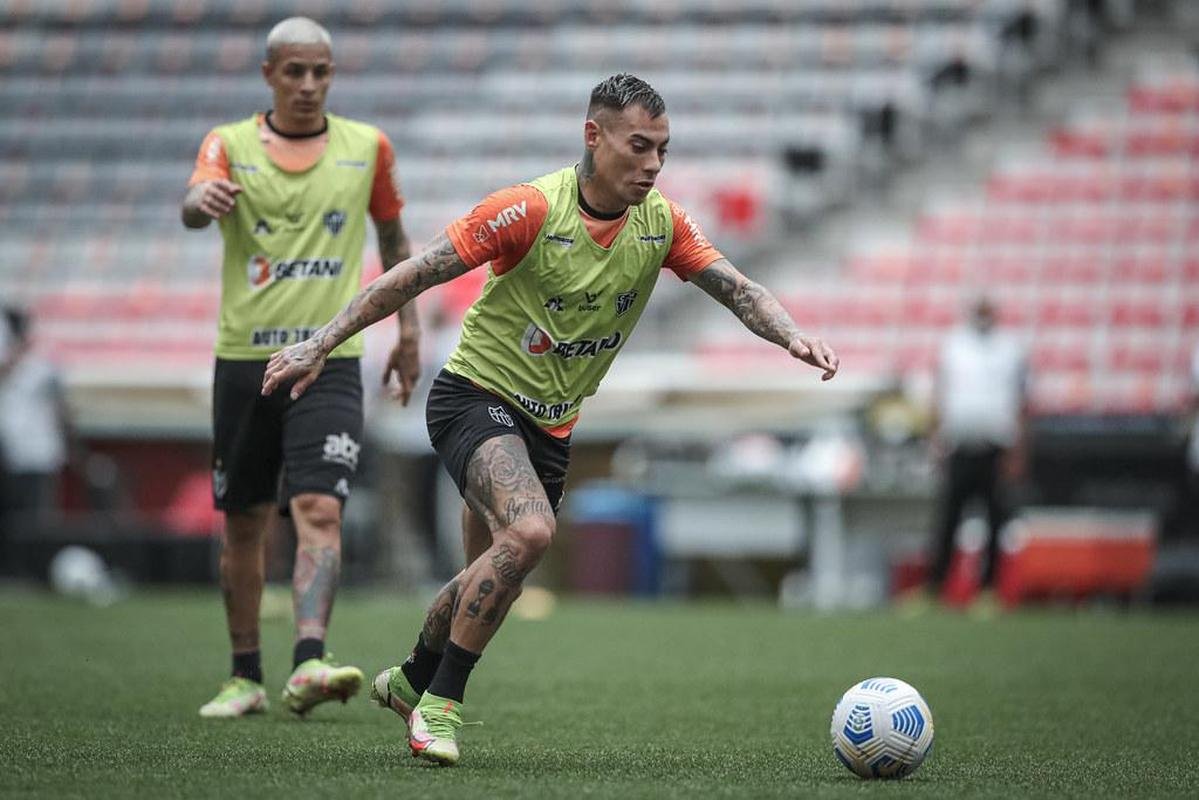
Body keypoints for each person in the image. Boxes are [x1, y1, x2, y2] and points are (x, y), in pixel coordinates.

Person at [262, 73, 838, 764]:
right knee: (531, 532)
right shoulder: (528, 210)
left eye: (663, 149)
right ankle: (439, 708)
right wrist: (319, 343)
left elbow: (739, 289)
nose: (652, 163)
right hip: (474, 395)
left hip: (553, 425)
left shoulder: (661, 224)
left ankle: (411, 679)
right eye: (638, 147)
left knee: (490, 576)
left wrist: (791, 335)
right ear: (593, 136)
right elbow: (413, 274)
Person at [181, 17, 421, 719]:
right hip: (245, 361)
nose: (309, 85)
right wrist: (200, 201)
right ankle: (244, 675)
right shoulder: (226, 145)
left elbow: (394, 239)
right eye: (295, 71)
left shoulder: (366, 147)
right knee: (245, 522)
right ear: (268, 75)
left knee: (319, 507)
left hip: (329, 358)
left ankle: (310, 659)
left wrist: (406, 329)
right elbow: (193, 204)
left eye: (321, 71)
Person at [921, 297, 1028, 613]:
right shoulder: (954, 345)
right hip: (959, 444)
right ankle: (935, 588)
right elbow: (941, 392)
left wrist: (1019, 451)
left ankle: (989, 591)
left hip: (996, 445)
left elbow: (1021, 400)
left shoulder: (1010, 348)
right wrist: (935, 437)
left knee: (994, 520)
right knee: (948, 520)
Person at [0, 307, 72, 551]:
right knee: (11, 515)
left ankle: (36, 563)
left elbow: (61, 406)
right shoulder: (12, 361)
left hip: (38, 451)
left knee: (36, 515)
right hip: (9, 450)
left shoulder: (42, 363)